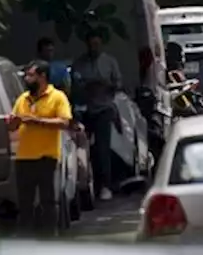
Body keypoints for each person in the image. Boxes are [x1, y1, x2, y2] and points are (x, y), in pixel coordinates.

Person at [9, 60, 73, 235]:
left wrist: (37, 121)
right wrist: (13, 122)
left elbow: (64, 122)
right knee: (25, 203)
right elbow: (13, 125)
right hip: (24, 157)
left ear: (42, 77)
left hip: (46, 157)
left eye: (30, 75)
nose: (27, 79)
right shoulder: (23, 99)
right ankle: (26, 240)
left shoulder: (57, 97)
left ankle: (49, 238)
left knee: (48, 201)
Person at [71, 31, 122, 201]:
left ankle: (106, 185)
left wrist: (108, 85)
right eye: (91, 45)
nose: (94, 48)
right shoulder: (80, 63)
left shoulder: (109, 62)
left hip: (103, 108)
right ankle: (90, 183)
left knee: (103, 147)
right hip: (86, 109)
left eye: (97, 44)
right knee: (86, 148)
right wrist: (86, 86)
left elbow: (118, 83)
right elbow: (75, 84)